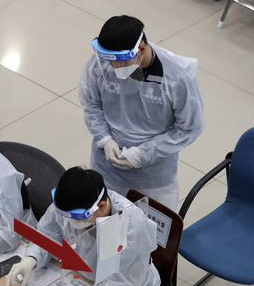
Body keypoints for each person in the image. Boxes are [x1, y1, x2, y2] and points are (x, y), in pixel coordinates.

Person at [6, 167, 160, 286]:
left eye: (77, 217)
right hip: (82, 277)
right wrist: (31, 258)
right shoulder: (69, 203)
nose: (70, 221)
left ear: (101, 207)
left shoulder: (131, 227)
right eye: (64, 214)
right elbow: (47, 233)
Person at [79, 15, 205, 210]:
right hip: (106, 167)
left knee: (150, 234)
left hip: (153, 178)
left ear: (142, 49)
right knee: (104, 226)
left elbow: (188, 128)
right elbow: (92, 104)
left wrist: (143, 154)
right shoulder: (102, 63)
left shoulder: (177, 78)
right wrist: (104, 139)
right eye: (110, 61)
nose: (113, 68)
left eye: (120, 62)